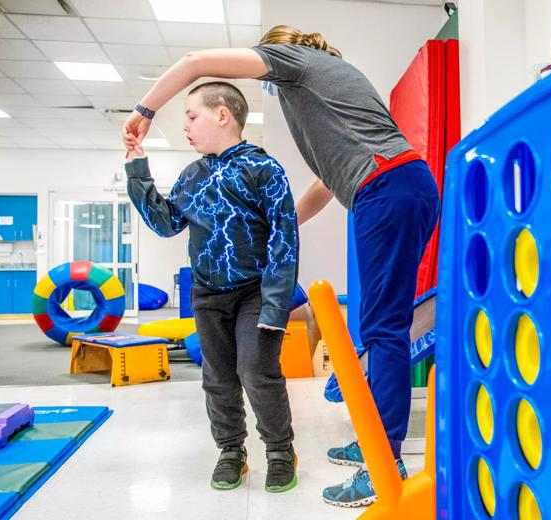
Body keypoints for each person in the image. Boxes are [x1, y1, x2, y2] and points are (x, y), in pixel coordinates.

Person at [122, 26, 440, 508]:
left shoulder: (298, 64)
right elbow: (326, 183)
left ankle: (384, 464)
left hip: (387, 190)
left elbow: (193, 62)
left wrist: (144, 112)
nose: (265, 79)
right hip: (395, 187)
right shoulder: (330, 88)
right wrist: (273, 222)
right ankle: (375, 442)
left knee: (383, 331)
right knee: (381, 327)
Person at [124, 81, 299, 493]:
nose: (185, 126)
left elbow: (284, 239)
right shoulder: (192, 174)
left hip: (256, 291)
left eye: (191, 116)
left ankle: (279, 450)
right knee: (218, 377)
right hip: (207, 293)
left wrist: (276, 306)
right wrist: (137, 169)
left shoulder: (264, 169)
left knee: (255, 370)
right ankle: (231, 452)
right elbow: (165, 223)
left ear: (222, 115)